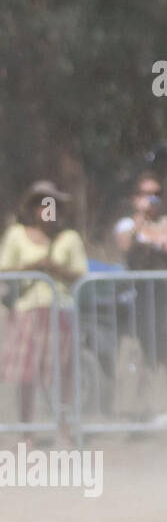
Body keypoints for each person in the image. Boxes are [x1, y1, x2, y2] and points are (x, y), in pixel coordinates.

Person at [0, 180, 88, 436]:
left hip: (60, 309)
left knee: (63, 372)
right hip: (28, 310)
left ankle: (65, 428)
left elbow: (81, 275)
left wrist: (54, 268)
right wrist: (32, 267)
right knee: (26, 375)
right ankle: (28, 431)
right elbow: (4, 270)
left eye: (54, 205)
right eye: (43, 204)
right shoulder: (16, 234)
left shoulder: (69, 238)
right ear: (34, 208)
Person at [112, 172, 167, 415]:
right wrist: (141, 220)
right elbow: (124, 247)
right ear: (135, 198)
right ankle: (145, 408)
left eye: (157, 193)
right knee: (145, 353)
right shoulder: (128, 225)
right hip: (142, 300)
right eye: (147, 193)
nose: (153, 199)